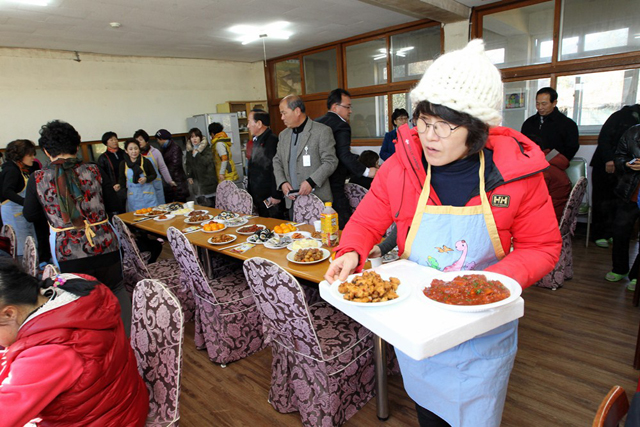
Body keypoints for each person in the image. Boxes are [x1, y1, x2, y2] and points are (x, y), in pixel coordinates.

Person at [325, 40, 561, 427]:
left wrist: (484, 285)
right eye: (423, 121)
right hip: (419, 327)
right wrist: (350, 251)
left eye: (445, 126)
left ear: (477, 128)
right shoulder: (401, 167)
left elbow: (543, 246)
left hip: (484, 329)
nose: (429, 136)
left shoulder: (516, 175)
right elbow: (367, 222)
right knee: (429, 413)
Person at [0, 260, 149, 426]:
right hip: (123, 405)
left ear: (9, 314)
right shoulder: (72, 290)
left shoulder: (51, 352)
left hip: (107, 420)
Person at [23, 120, 132, 335]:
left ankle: (96, 346)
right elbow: (115, 205)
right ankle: (128, 341)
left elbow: (30, 215)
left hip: (68, 253)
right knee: (116, 288)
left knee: (79, 300)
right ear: (76, 145)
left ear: (45, 151)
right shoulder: (94, 169)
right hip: (105, 244)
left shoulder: (38, 178)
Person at [317, 88, 377, 229]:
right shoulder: (341, 125)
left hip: (317, 182)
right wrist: (368, 171)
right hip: (334, 182)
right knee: (343, 223)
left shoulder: (316, 123)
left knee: (322, 225)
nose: (350, 111)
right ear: (335, 107)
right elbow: (343, 155)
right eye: (347, 107)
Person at [272, 95, 338, 217]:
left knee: (319, 235)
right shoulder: (283, 135)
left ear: (297, 111)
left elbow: (330, 161)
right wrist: (282, 182)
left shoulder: (321, 131)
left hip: (317, 200)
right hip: (292, 200)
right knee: (296, 234)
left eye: (284, 113)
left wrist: (311, 181)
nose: (282, 118)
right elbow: (277, 160)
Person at [590, 104, 640, 248]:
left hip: (625, 168)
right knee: (601, 200)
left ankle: (612, 233)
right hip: (605, 164)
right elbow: (604, 139)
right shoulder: (620, 116)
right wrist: (609, 159)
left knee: (617, 201)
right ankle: (599, 234)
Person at [607, 124, 640, 288]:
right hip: (630, 192)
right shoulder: (632, 132)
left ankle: (637, 276)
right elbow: (619, 157)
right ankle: (620, 269)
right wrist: (627, 164)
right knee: (620, 231)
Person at [521, 87, 580, 161]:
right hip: (532, 164)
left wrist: (554, 160)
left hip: (555, 165)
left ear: (554, 103)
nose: (540, 107)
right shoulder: (528, 123)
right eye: (537, 104)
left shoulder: (568, 124)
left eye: (544, 104)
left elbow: (571, 148)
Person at [0, 139, 37, 256]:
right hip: (14, 215)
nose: (33, 158)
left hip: (20, 214)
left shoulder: (17, 169)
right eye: (30, 155)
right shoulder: (12, 170)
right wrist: (26, 203)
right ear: (20, 156)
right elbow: (7, 191)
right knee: (22, 249)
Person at [246, 109, 284, 218]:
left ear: (259, 123)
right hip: (258, 194)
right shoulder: (257, 140)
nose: (248, 126)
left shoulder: (272, 141)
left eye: (249, 122)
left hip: (269, 196)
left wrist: (276, 194)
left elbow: (276, 169)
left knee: (273, 226)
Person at [134, 128, 176, 205]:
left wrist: (169, 181)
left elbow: (163, 168)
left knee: (159, 207)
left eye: (141, 139)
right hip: (143, 185)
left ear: (146, 141)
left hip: (156, 183)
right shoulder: (134, 154)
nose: (139, 142)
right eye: (137, 140)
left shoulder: (155, 152)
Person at [118, 139, 158, 212]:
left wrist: (146, 179)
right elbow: (122, 180)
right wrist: (118, 185)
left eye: (136, 148)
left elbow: (154, 175)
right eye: (130, 149)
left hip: (148, 196)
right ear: (126, 151)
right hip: (133, 197)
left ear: (139, 149)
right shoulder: (123, 164)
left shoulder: (146, 161)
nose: (134, 151)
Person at [185, 127, 218, 207]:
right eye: (192, 137)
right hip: (197, 183)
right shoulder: (189, 150)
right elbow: (188, 164)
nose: (194, 139)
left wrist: (197, 154)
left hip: (208, 181)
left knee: (212, 205)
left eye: (196, 136)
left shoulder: (206, 148)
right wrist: (189, 176)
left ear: (200, 137)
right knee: (201, 206)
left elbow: (206, 162)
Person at [96, 131, 127, 213]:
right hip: (115, 188)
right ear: (106, 142)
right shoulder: (103, 158)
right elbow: (102, 175)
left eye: (115, 139)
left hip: (128, 185)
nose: (115, 141)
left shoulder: (125, 153)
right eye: (111, 140)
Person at [156, 129, 189, 203]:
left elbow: (175, 166)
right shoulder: (163, 149)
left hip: (177, 182)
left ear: (162, 139)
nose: (157, 141)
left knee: (181, 205)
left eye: (158, 139)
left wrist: (166, 177)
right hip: (170, 183)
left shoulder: (175, 148)